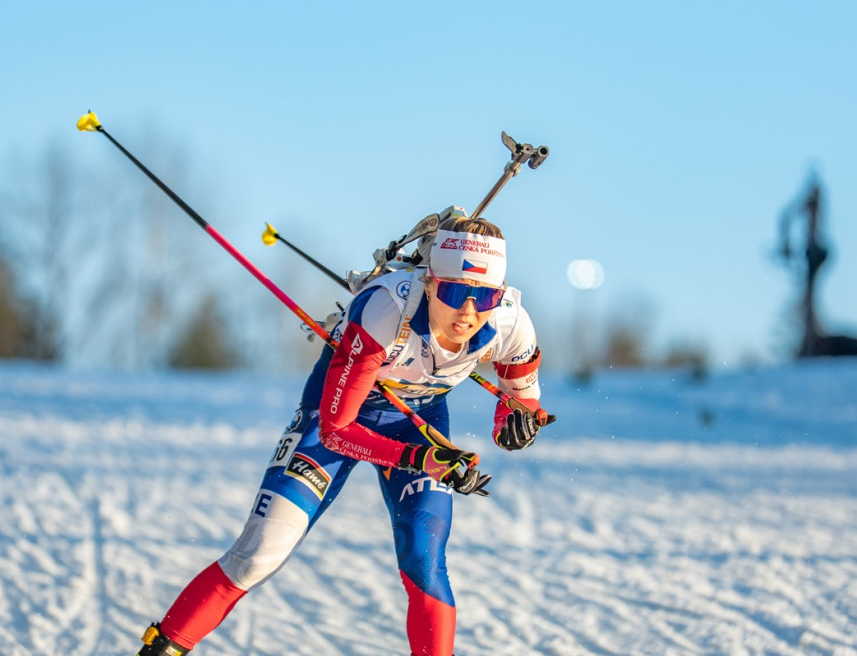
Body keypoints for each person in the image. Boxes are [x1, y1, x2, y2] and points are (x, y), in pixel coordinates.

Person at [136, 215, 549, 656]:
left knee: (425, 563)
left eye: (484, 295)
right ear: (429, 283)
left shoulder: (510, 323)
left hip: (416, 418)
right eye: (453, 291)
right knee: (260, 553)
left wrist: (516, 426)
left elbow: (519, 404)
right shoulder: (386, 310)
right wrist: (422, 459)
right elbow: (337, 432)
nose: (469, 312)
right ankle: (162, 647)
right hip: (335, 415)